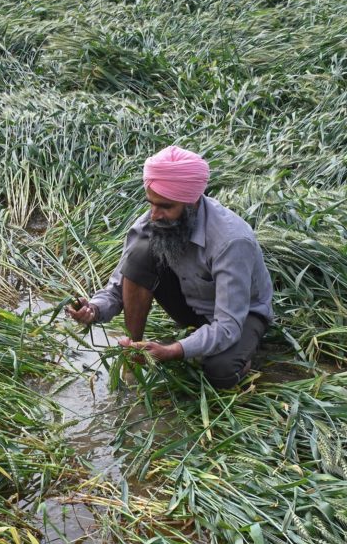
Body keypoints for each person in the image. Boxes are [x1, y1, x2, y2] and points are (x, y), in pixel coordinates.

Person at [66, 146, 274, 389]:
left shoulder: (231, 241)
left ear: (192, 202)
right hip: (191, 303)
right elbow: (117, 287)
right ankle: (135, 352)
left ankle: (247, 354)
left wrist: (173, 350)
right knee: (140, 252)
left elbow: (228, 325)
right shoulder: (149, 223)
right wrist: (93, 310)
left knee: (220, 372)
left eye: (165, 206)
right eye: (151, 204)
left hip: (241, 315)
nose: (154, 215)